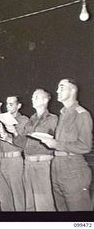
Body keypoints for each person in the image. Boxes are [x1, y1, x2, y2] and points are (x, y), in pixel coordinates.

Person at [40, 78, 93, 211]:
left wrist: (56, 144)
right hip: (57, 165)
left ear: (73, 90)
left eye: (62, 87)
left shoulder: (81, 114)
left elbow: (85, 146)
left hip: (73, 168)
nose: (57, 90)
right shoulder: (63, 114)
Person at [10, 89, 57, 211]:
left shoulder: (53, 119)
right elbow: (23, 143)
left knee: (43, 203)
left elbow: (55, 141)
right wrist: (14, 132)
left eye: (36, 96)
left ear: (45, 100)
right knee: (29, 203)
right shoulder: (32, 119)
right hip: (29, 164)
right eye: (32, 96)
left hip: (42, 164)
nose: (32, 98)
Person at [0, 96, 29, 211]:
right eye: (7, 104)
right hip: (2, 160)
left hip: (14, 160)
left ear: (18, 106)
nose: (8, 106)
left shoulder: (24, 120)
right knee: (4, 196)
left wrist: (9, 135)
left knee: (18, 195)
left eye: (11, 104)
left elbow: (23, 143)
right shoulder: (2, 120)